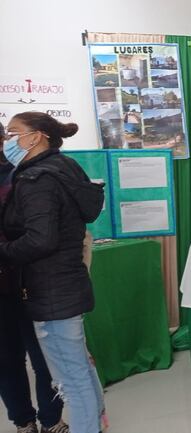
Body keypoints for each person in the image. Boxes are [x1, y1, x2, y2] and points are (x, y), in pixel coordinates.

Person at [0, 112, 106, 433]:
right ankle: (96, 419)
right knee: (80, 370)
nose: (8, 141)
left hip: (50, 291)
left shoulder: (36, 180)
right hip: (66, 285)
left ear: (36, 137)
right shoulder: (63, 167)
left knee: (72, 380)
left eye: (13, 133)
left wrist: (2, 252)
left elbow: (40, 239)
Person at [0, 121, 69, 433]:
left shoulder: (21, 175)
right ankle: (23, 420)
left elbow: (40, 232)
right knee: (5, 358)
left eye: (11, 135)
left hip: (31, 279)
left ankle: (51, 419)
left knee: (44, 356)